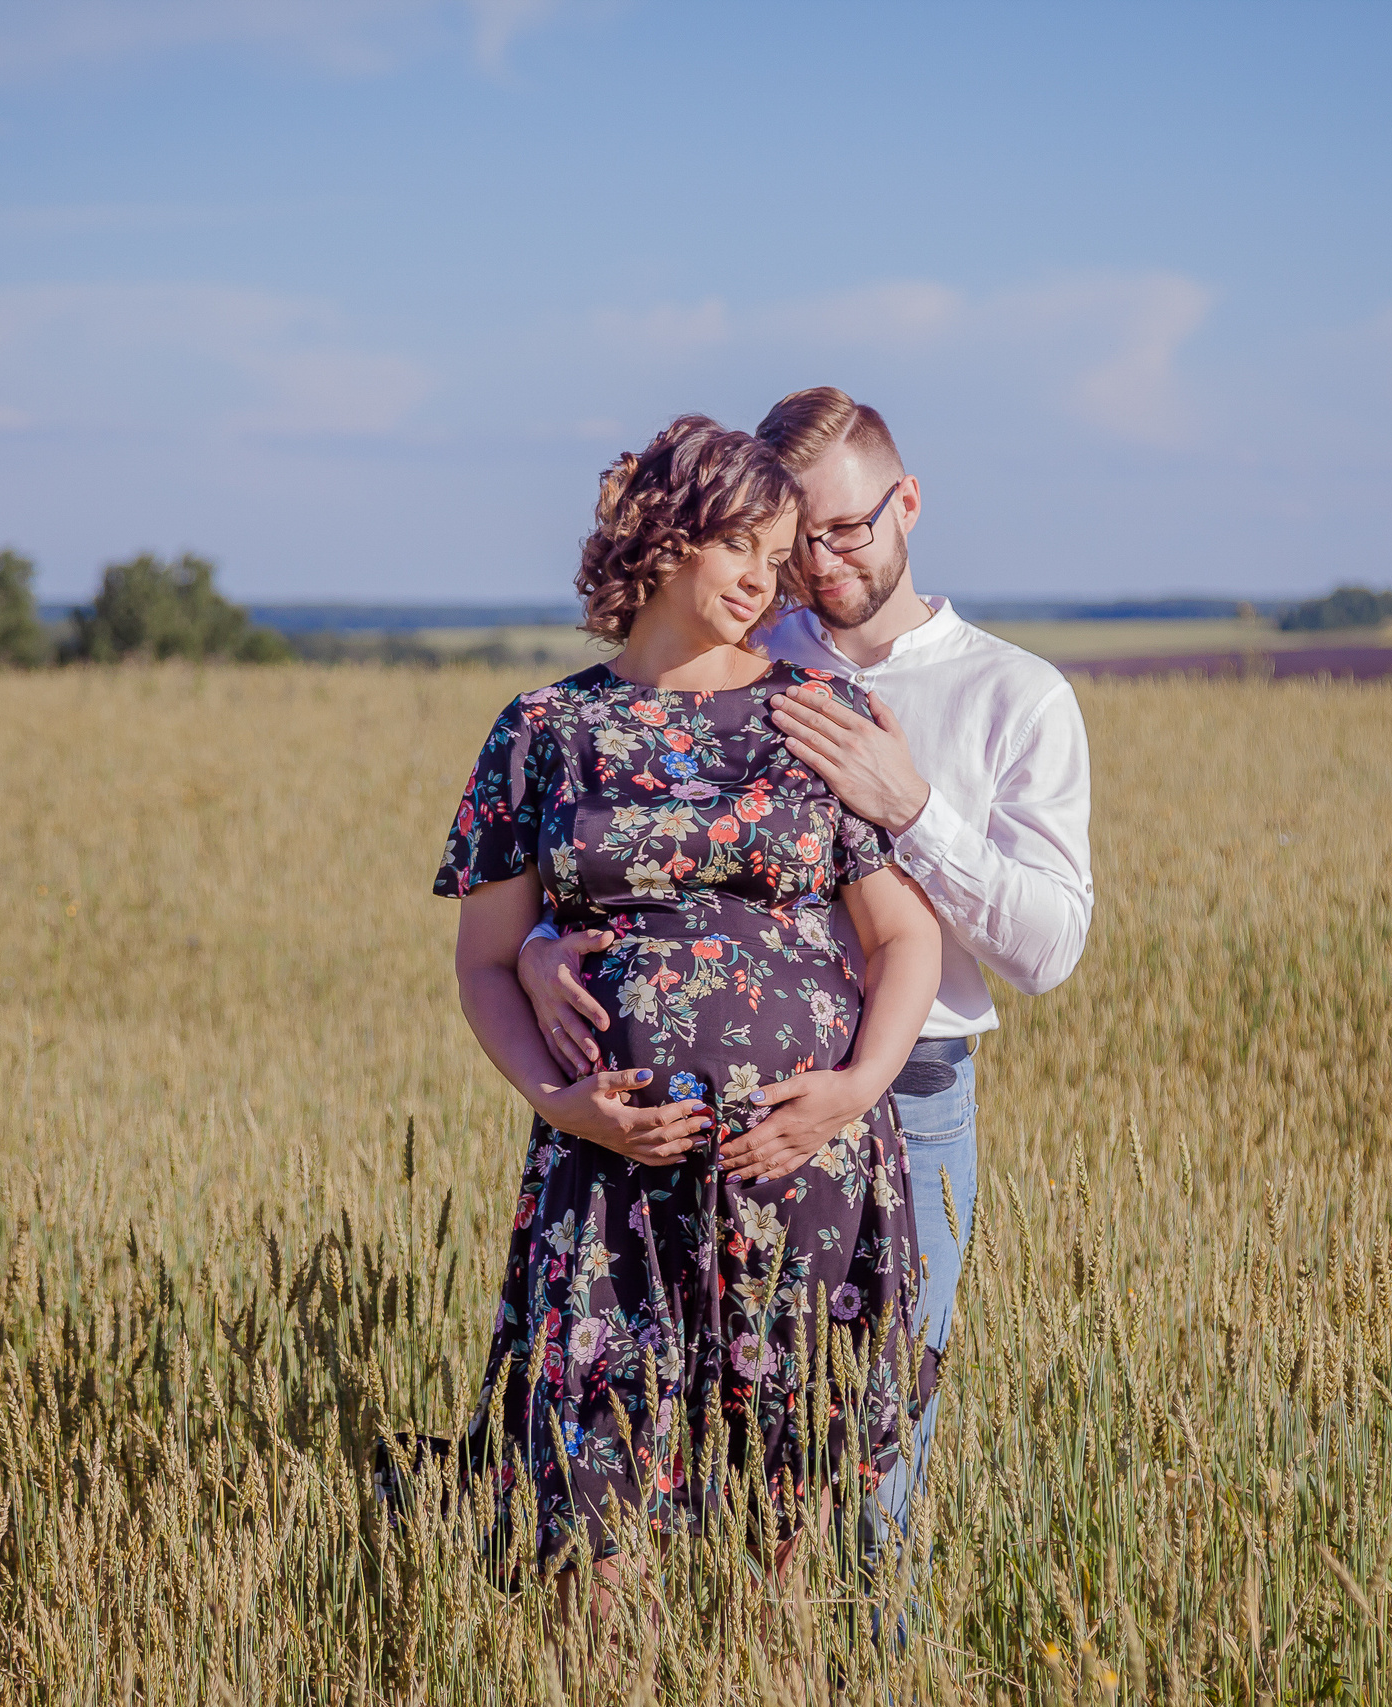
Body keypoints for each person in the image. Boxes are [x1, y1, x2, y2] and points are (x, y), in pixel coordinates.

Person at [519, 387, 1095, 1535]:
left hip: (900, 1098)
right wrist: (541, 948)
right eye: (792, 545)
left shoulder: (1013, 693)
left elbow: (1046, 951)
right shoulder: (737, 654)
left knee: (858, 1458)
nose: (819, 566)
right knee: (665, 1450)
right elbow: (623, 861)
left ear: (909, 503)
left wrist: (912, 809)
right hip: (674, 1122)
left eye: (847, 532)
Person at [436, 414, 943, 1600]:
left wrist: (854, 1092)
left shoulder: (815, 714)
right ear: (664, 542)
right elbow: (484, 959)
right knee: (591, 1536)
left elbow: (903, 934)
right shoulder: (543, 733)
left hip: (798, 1164)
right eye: (740, 546)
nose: (769, 577)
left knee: (791, 1537)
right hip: (610, 1176)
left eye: (780, 551)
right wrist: (566, 1106)